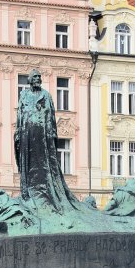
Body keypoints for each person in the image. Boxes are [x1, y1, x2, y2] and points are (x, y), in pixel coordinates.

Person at [14, 69, 82, 212]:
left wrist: (52, 134)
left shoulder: (46, 95)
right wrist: (18, 132)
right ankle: (29, 191)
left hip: (42, 135)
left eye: (39, 77)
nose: (38, 79)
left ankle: (47, 192)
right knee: (28, 162)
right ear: (30, 80)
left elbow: (51, 117)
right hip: (27, 133)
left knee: (44, 163)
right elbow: (20, 114)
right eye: (35, 77)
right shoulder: (24, 95)